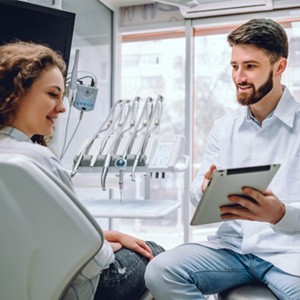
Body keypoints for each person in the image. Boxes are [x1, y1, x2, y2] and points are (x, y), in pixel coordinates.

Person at [145, 18, 300, 299]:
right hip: (233, 250)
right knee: (160, 271)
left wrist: (279, 214)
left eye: (250, 66)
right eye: (235, 66)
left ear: (279, 67)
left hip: (289, 254)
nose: (239, 77)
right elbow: (196, 192)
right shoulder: (224, 127)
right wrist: (205, 188)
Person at [0, 40, 164, 300]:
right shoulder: (38, 160)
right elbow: (91, 260)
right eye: (53, 94)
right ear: (17, 91)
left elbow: (36, 232)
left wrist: (111, 236)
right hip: (75, 289)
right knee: (157, 253)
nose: (63, 107)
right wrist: (110, 246)